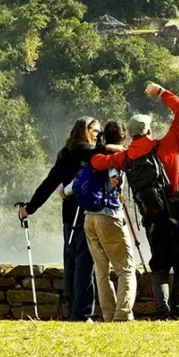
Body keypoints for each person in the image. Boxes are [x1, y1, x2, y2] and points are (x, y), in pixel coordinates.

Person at [91, 83, 179, 320]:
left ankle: (161, 310)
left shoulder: (126, 157)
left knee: (159, 265)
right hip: (177, 211)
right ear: (148, 131)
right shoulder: (166, 146)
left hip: (152, 217)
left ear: (131, 134)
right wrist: (161, 92)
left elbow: (98, 162)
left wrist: (101, 147)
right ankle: (178, 311)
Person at [18, 116, 101, 322]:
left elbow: (50, 182)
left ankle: (72, 308)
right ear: (85, 130)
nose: (98, 136)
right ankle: (82, 313)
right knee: (84, 262)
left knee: (71, 259)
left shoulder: (65, 153)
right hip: (84, 213)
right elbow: (102, 156)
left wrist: (30, 208)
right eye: (95, 131)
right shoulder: (85, 150)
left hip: (68, 215)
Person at [64, 121, 137, 322]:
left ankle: (108, 313)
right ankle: (122, 315)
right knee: (126, 268)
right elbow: (115, 177)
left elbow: (68, 189)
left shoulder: (93, 156)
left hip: (89, 218)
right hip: (110, 215)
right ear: (124, 138)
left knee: (101, 270)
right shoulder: (115, 156)